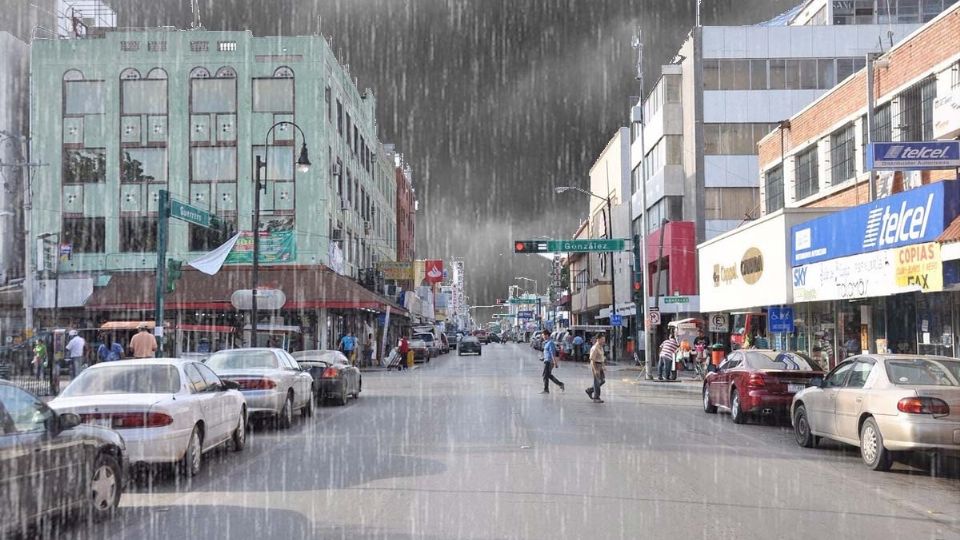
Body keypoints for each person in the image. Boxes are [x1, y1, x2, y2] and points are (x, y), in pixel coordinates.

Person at [539, 329, 565, 394]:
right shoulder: (546, 343)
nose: (543, 337)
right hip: (546, 360)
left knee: (545, 375)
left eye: (543, 335)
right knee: (548, 375)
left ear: (547, 335)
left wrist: (554, 362)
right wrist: (543, 358)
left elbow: (552, 353)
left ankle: (546, 389)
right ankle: (560, 384)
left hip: (549, 362)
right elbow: (547, 353)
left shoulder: (550, 343)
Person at [586, 333, 606, 403]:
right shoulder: (594, 348)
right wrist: (595, 370)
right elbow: (592, 360)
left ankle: (590, 390)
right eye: (602, 339)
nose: (604, 341)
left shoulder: (601, 347)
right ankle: (596, 397)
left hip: (600, 365)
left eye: (604, 339)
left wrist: (603, 366)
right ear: (598, 339)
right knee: (597, 382)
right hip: (596, 365)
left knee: (602, 381)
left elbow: (602, 357)